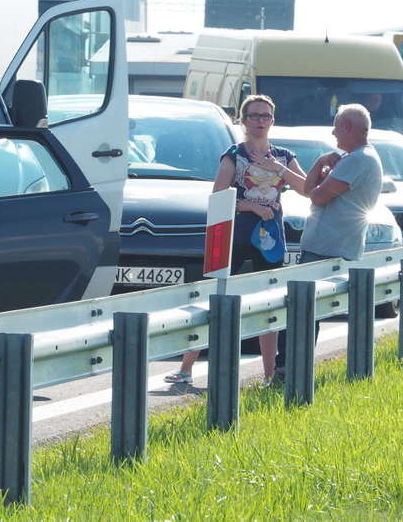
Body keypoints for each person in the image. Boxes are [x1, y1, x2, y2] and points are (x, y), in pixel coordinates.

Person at [164, 94, 306, 387]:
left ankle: (269, 375)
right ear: (243, 120)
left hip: (270, 239)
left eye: (265, 116)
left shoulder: (283, 156)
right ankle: (187, 367)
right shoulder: (234, 155)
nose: (260, 122)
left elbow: (306, 189)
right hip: (236, 235)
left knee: (270, 303)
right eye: (254, 116)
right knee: (216, 297)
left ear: (273, 120)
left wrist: (277, 169)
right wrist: (252, 206)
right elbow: (218, 197)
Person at [274, 103, 384, 379]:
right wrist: (321, 162)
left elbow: (317, 196)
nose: (334, 132)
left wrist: (322, 172)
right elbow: (311, 190)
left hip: (329, 250)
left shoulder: (358, 159)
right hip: (328, 247)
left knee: (301, 313)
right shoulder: (355, 158)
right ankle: (292, 370)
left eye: (336, 126)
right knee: (305, 313)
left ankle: (290, 372)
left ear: (348, 127)